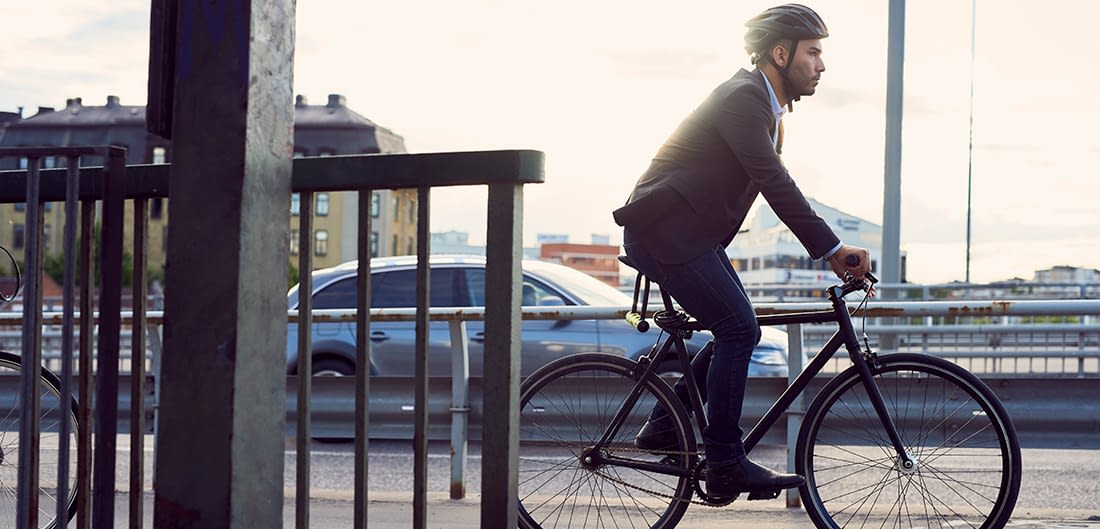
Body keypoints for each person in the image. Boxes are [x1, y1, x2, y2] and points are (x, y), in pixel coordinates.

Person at [612, 3, 872, 499]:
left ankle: (663, 427)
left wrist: (830, 246)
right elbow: (774, 181)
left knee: (738, 326)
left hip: (690, 235)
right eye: (813, 52)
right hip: (665, 232)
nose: (821, 64)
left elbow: (770, 184)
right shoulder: (743, 100)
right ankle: (725, 462)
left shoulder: (767, 109)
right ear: (781, 52)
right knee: (738, 328)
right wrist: (833, 248)